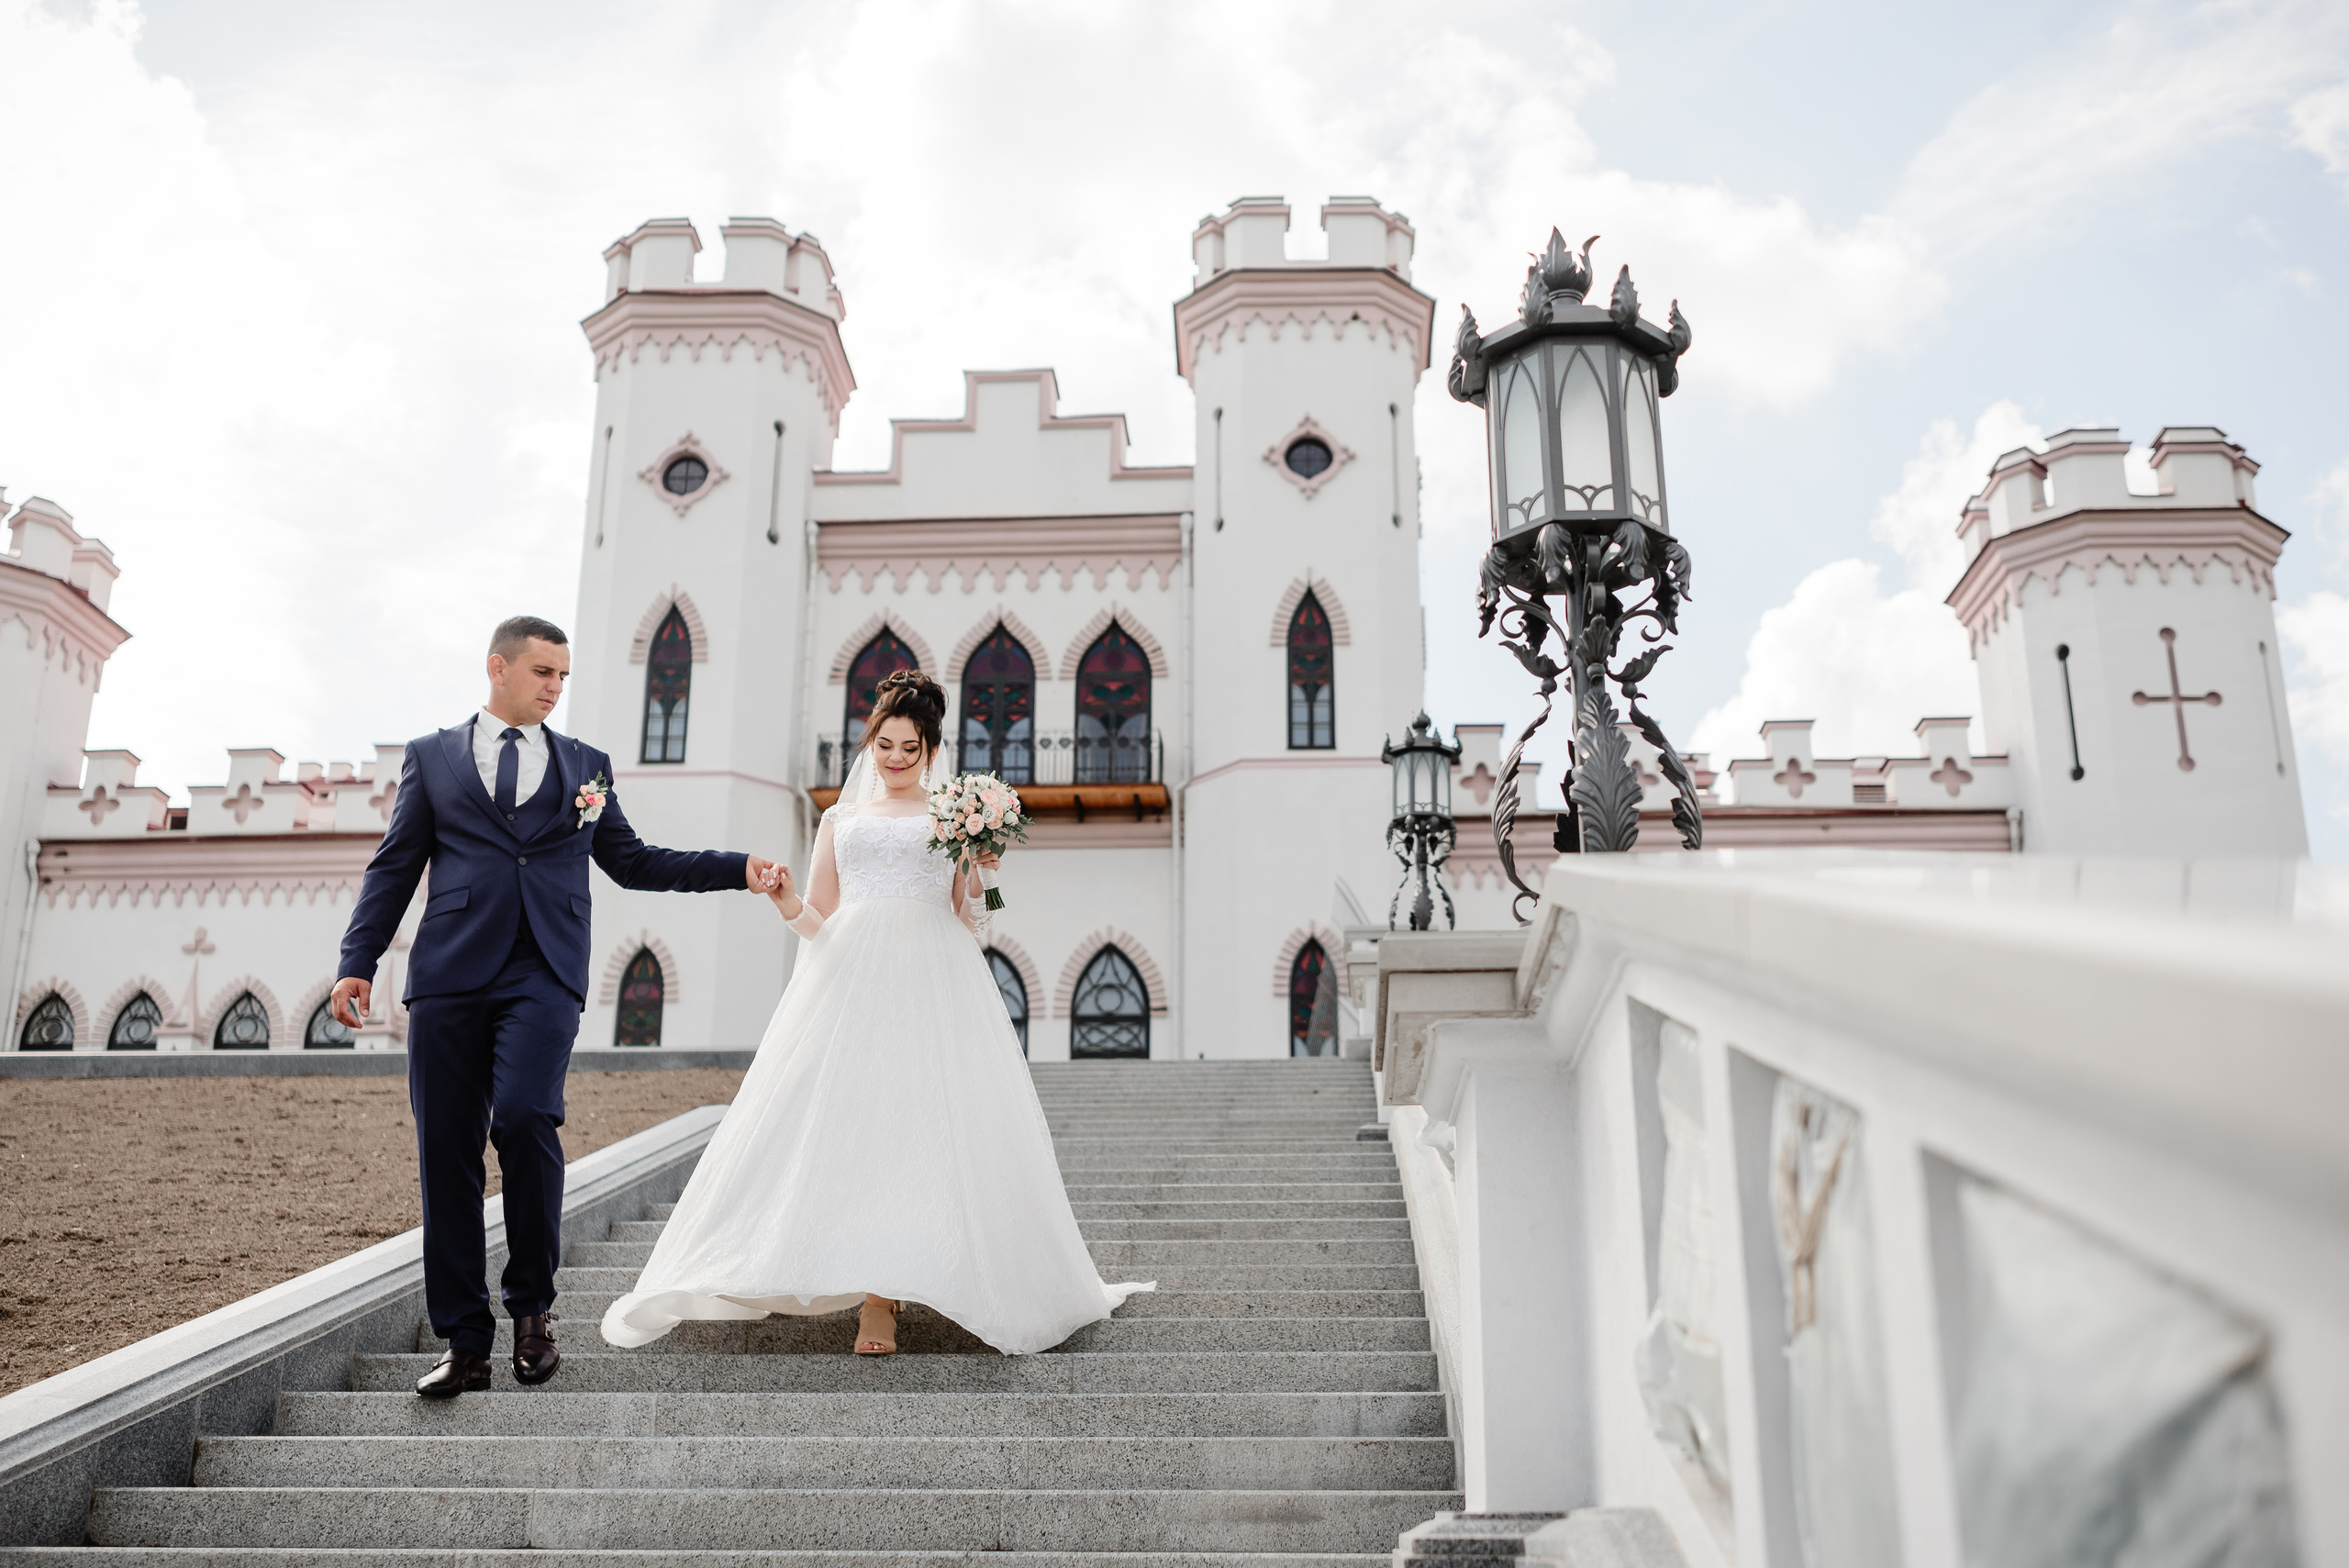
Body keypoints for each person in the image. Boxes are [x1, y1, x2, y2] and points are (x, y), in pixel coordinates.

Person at [600, 670, 1152, 1357]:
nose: (894, 758)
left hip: (933, 977)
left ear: (931, 749)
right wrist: (784, 902)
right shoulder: (840, 818)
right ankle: (856, 1278)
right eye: (885, 744)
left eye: (910, 747)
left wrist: (989, 868)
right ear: (870, 743)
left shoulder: (952, 813)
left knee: (920, 1123)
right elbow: (820, 920)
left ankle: (888, 1293)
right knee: (852, 1122)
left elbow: (976, 916)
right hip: (848, 980)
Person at [329, 616, 782, 1398]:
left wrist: (736, 867)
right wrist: (357, 962)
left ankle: (533, 1311)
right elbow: (395, 865)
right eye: (542, 671)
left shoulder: (586, 766)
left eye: (564, 675)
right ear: (497, 668)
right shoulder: (432, 757)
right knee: (447, 1152)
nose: (555, 687)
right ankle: (466, 1341)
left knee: (529, 1115)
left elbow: (633, 862)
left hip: (544, 970)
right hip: (448, 974)